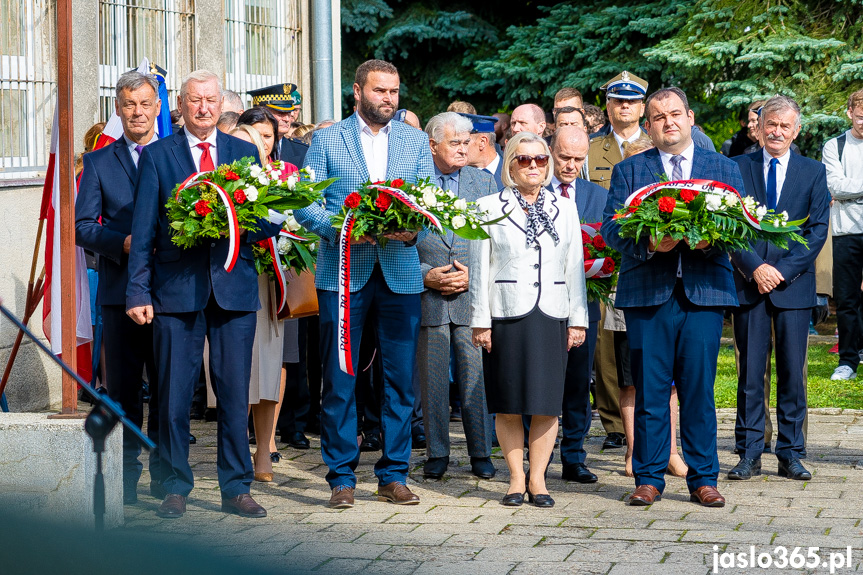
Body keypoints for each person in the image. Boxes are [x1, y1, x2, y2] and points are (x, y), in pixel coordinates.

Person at [126, 69, 280, 519]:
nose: (204, 108)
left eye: (211, 100)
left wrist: (269, 209)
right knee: (173, 395)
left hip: (233, 288)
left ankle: (236, 487)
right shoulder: (159, 156)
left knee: (234, 394)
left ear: (222, 103)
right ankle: (174, 484)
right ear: (182, 104)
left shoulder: (243, 151)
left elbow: (265, 223)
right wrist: (139, 291)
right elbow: (144, 229)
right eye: (195, 100)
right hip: (176, 292)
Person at [294, 59, 435, 509]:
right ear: (357, 92)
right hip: (343, 272)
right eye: (380, 91)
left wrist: (415, 231)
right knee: (340, 378)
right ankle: (341, 476)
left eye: (394, 91)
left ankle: (393, 474)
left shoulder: (414, 141)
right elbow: (306, 204)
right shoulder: (328, 139)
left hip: (400, 273)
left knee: (399, 381)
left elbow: (433, 204)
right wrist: (342, 228)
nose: (388, 99)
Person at [601, 86, 745, 508]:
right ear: (649, 125)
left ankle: (704, 478)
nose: (668, 122)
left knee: (699, 390)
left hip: (704, 292)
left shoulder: (723, 168)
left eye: (675, 114)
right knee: (650, 391)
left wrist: (711, 240)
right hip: (648, 294)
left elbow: (741, 227)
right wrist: (648, 242)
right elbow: (611, 230)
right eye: (659, 116)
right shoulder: (631, 171)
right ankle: (648, 477)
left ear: (691, 117)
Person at [470, 130, 588, 508]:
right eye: (524, 159)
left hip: (553, 311)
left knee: (546, 402)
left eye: (540, 159)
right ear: (510, 164)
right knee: (508, 401)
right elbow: (479, 266)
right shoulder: (488, 206)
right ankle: (515, 479)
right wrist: (480, 320)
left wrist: (578, 319)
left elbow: (575, 269)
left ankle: (538, 479)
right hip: (506, 311)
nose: (533, 166)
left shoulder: (565, 208)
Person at [728, 95, 830, 482]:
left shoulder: (812, 172)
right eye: (771, 124)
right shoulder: (737, 168)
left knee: (792, 372)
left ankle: (791, 452)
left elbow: (817, 231)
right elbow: (729, 226)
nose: (777, 132)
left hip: (794, 288)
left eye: (785, 126)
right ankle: (750, 452)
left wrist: (781, 272)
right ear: (758, 127)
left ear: (796, 130)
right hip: (750, 285)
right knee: (750, 372)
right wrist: (755, 268)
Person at [75, 71, 162, 505]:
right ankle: (126, 479)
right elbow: (83, 228)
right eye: (129, 104)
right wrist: (122, 242)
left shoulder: (173, 154)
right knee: (126, 391)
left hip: (170, 293)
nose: (137, 112)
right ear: (117, 108)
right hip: (118, 292)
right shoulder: (98, 163)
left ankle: (166, 478)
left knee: (168, 389)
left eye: (145, 104)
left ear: (158, 107)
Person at [417, 112, 497, 481]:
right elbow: (400, 246)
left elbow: (498, 243)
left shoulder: (484, 182)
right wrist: (426, 276)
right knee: (432, 381)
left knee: (475, 376)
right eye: (455, 142)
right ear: (433, 145)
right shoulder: (413, 184)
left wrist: (474, 277)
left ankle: (481, 451)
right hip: (428, 294)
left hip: (472, 295)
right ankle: (437, 453)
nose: (463, 149)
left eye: (467, 142)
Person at [611, 139, 688, 479]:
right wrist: (649, 242)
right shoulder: (624, 176)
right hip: (639, 291)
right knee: (639, 383)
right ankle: (642, 461)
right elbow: (611, 228)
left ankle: (677, 456)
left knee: (680, 386)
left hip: (688, 291)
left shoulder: (707, 171)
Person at [587, 71, 652, 451]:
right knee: (605, 343)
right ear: (608, 106)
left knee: (637, 342)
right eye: (617, 100)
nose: (624, 106)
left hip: (645, 256)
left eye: (631, 101)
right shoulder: (594, 150)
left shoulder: (658, 145)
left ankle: (645, 419)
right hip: (603, 256)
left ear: (642, 106)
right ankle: (613, 423)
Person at [546, 126, 606, 484]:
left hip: (585, 303)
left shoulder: (597, 195)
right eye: (564, 158)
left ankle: (574, 457)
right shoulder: (534, 193)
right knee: (541, 378)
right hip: (541, 302)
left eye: (578, 160)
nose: (570, 166)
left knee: (578, 380)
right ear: (551, 151)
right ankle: (535, 455)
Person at [824, 88, 863, 382]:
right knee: (847, 300)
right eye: (860, 117)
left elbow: (846, 187)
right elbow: (836, 187)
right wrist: (847, 190)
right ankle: (848, 359)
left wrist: (852, 188)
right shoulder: (834, 146)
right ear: (849, 113)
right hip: (846, 232)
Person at [248, 83, 308, 168]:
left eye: (289, 114)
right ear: (261, 113)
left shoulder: (302, 151)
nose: (287, 119)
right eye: (280, 113)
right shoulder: (245, 147)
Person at [462, 113, 504, 191]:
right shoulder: (459, 175)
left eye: (465, 143)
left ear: (482, 142)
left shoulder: (513, 172)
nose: (461, 149)